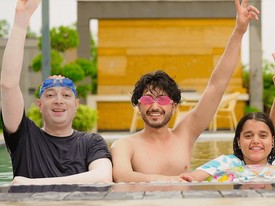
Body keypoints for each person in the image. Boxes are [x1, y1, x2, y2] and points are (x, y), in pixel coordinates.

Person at [110, 0, 260, 182]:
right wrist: (171, 180)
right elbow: (122, 176)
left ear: (174, 106)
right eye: (148, 100)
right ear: (138, 105)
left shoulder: (185, 134)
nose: (155, 106)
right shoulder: (124, 145)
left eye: (163, 100)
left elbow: (217, 85)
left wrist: (239, 31)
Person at [0, 0, 112, 185]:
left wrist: (28, 183)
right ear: (39, 104)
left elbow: (103, 177)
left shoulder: (91, 142)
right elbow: (8, 85)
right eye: (50, 95)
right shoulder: (25, 138)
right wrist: (21, 20)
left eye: (66, 95)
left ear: (76, 105)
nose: (58, 101)